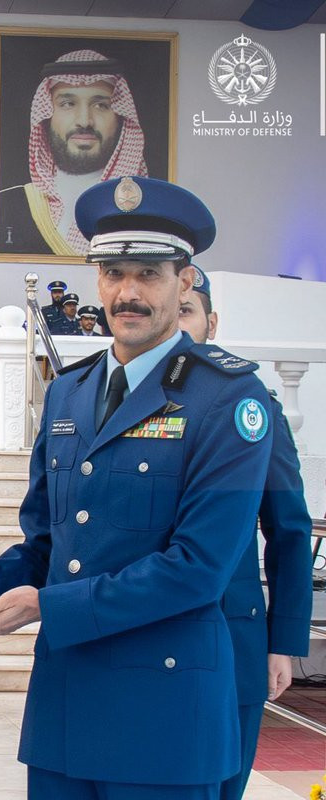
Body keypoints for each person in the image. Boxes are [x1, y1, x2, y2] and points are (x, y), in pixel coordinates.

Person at [0, 177, 277, 799]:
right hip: (65, 711)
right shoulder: (69, 392)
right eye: (113, 273)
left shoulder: (227, 399)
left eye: (148, 274)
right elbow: (45, 546)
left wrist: (48, 606)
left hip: (165, 720)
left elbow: (198, 569)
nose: (127, 292)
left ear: (184, 281)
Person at [177, 265, 312, 800]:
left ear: (211, 323)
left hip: (233, 637)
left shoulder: (254, 409)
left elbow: (289, 529)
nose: (176, 327)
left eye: (187, 312)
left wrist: (283, 642)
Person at [0, 50, 148, 256]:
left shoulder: (147, 209)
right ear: (47, 116)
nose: (85, 121)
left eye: (101, 105)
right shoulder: (7, 204)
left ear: (121, 117)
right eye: (68, 104)